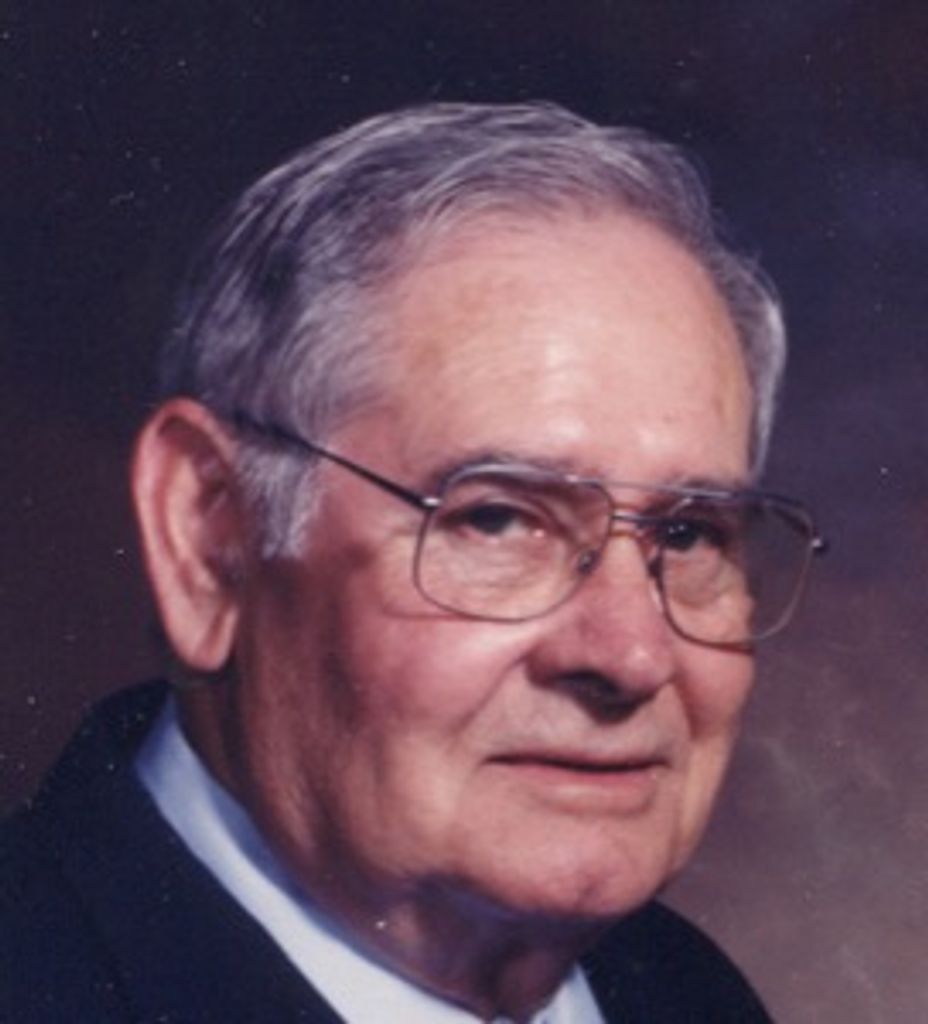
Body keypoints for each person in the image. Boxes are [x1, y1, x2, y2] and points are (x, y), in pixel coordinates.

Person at [0, 102, 824, 1022]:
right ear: (208, 540)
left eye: (689, 534)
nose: (630, 654)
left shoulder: (691, 998)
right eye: (498, 520)